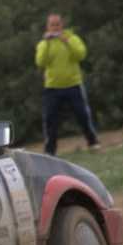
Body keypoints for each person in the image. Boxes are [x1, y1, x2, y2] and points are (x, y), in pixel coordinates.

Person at [35, 13, 100, 156]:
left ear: (62, 25)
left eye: (57, 24)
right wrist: (46, 43)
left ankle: (93, 142)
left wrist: (67, 42)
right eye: (52, 25)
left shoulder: (73, 38)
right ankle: (50, 151)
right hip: (52, 87)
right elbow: (40, 62)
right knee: (50, 119)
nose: (55, 27)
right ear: (48, 27)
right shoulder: (43, 44)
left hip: (73, 85)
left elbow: (81, 55)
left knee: (83, 116)